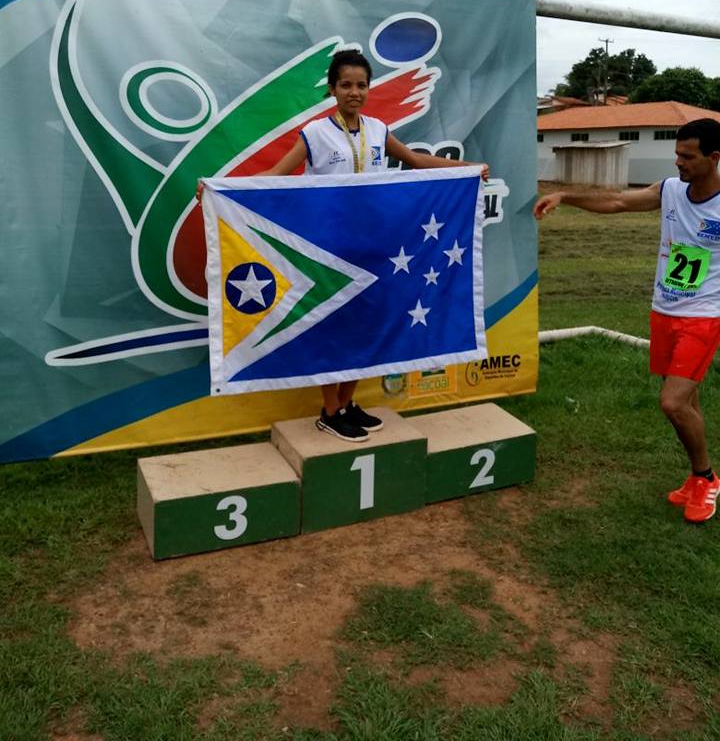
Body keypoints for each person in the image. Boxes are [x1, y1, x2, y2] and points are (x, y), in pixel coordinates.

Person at [201, 48, 489, 442]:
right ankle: (330, 410)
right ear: (333, 89)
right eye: (346, 85)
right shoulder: (314, 133)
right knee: (333, 327)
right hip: (329, 249)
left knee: (367, 325)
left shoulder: (378, 130)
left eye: (361, 85)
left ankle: (348, 402)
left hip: (376, 246)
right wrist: (218, 189)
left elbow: (416, 161)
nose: (355, 92)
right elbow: (275, 174)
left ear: (369, 89)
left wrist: (469, 170)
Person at [534, 118, 720, 523]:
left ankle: (707, 479)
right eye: (676, 154)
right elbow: (617, 201)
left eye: (687, 156)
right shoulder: (669, 191)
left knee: (672, 402)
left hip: (703, 317)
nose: (678, 162)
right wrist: (565, 195)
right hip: (664, 311)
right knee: (687, 402)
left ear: (714, 158)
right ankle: (697, 477)